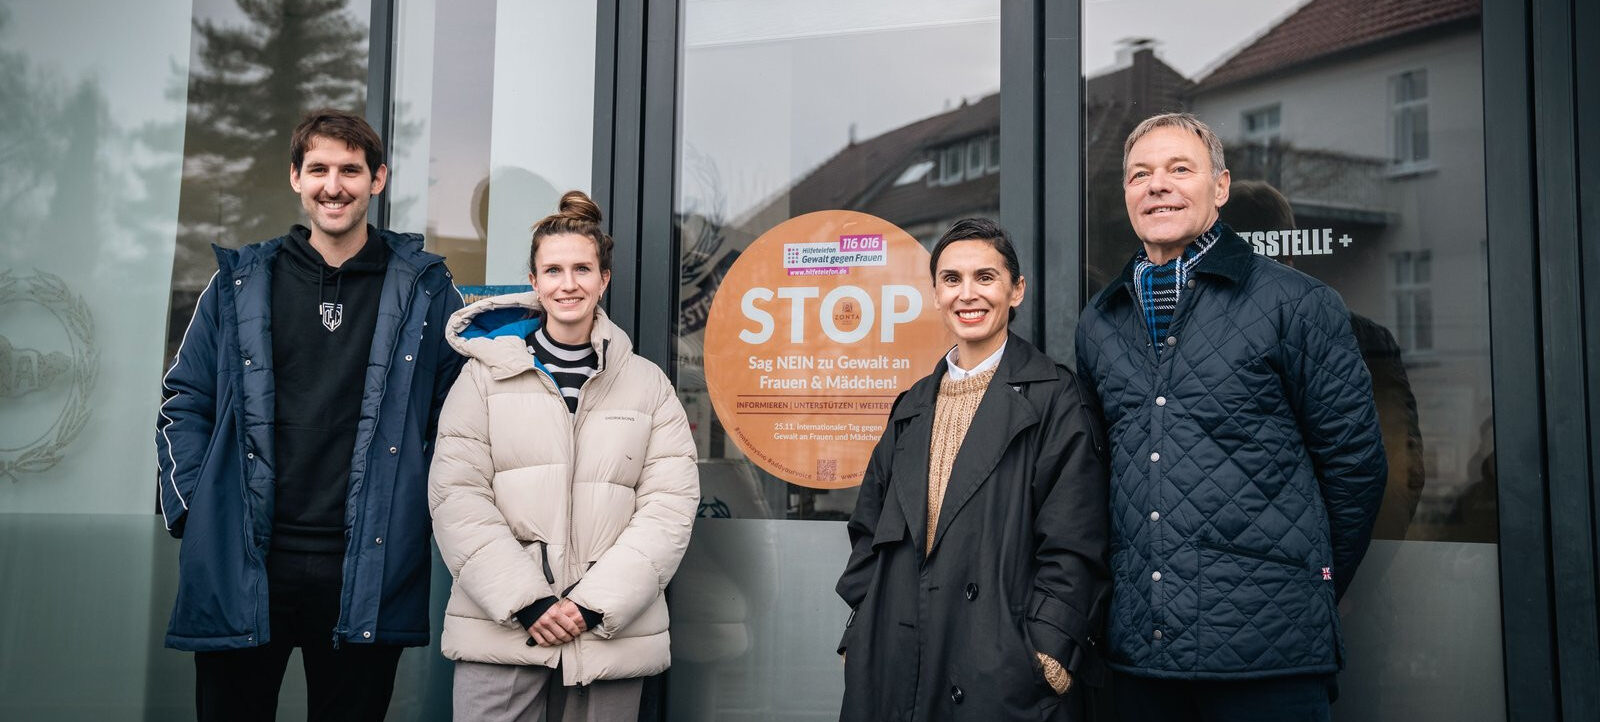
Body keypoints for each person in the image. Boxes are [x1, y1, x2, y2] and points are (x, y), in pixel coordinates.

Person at [1074, 112, 1387, 721]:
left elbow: (1355, 469)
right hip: (1142, 653)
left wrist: (1311, 585)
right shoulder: (1100, 321)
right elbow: (1098, 475)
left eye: (1178, 169)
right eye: (1140, 174)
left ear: (1219, 187)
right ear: (1127, 196)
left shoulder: (1298, 304)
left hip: (1270, 657)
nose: (1156, 184)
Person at [154, 108, 466, 721]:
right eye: (318, 168)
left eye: (351, 170)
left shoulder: (428, 291)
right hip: (246, 557)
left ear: (378, 180)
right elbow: (183, 400)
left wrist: (420, 510)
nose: (334, 185)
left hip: (367, 561)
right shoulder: (240, 282)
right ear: (296, 177)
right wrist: (195, 507)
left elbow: (460, 419)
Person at [429, 190, 699, 721]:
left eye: (582, 269)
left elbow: (670, 507)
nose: (568, 283)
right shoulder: (482, 379)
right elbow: (456, 498)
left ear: (605, 279)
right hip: (501, 628)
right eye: (553, 270)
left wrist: (595, 603)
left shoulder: (648, 386)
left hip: (608, 633)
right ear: (533, 282)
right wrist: (527, 601)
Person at [836, 218, 1112, 721]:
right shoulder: (912, 406)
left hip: (999, 668)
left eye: (985, 277)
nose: (968, 294)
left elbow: (1076, 541)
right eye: (952, 279)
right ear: (936, 292)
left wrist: (1048, 655)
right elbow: (867, 533)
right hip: (896, 661)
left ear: (1016, 290)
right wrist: (860, 630)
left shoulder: (1055, 397)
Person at [1221, 179, 1425, 541]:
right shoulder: (1360, 335)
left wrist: (1334, 576)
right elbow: (1396, 475)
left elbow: (1393, 475)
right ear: (1291, 254)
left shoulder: (1186, 338)